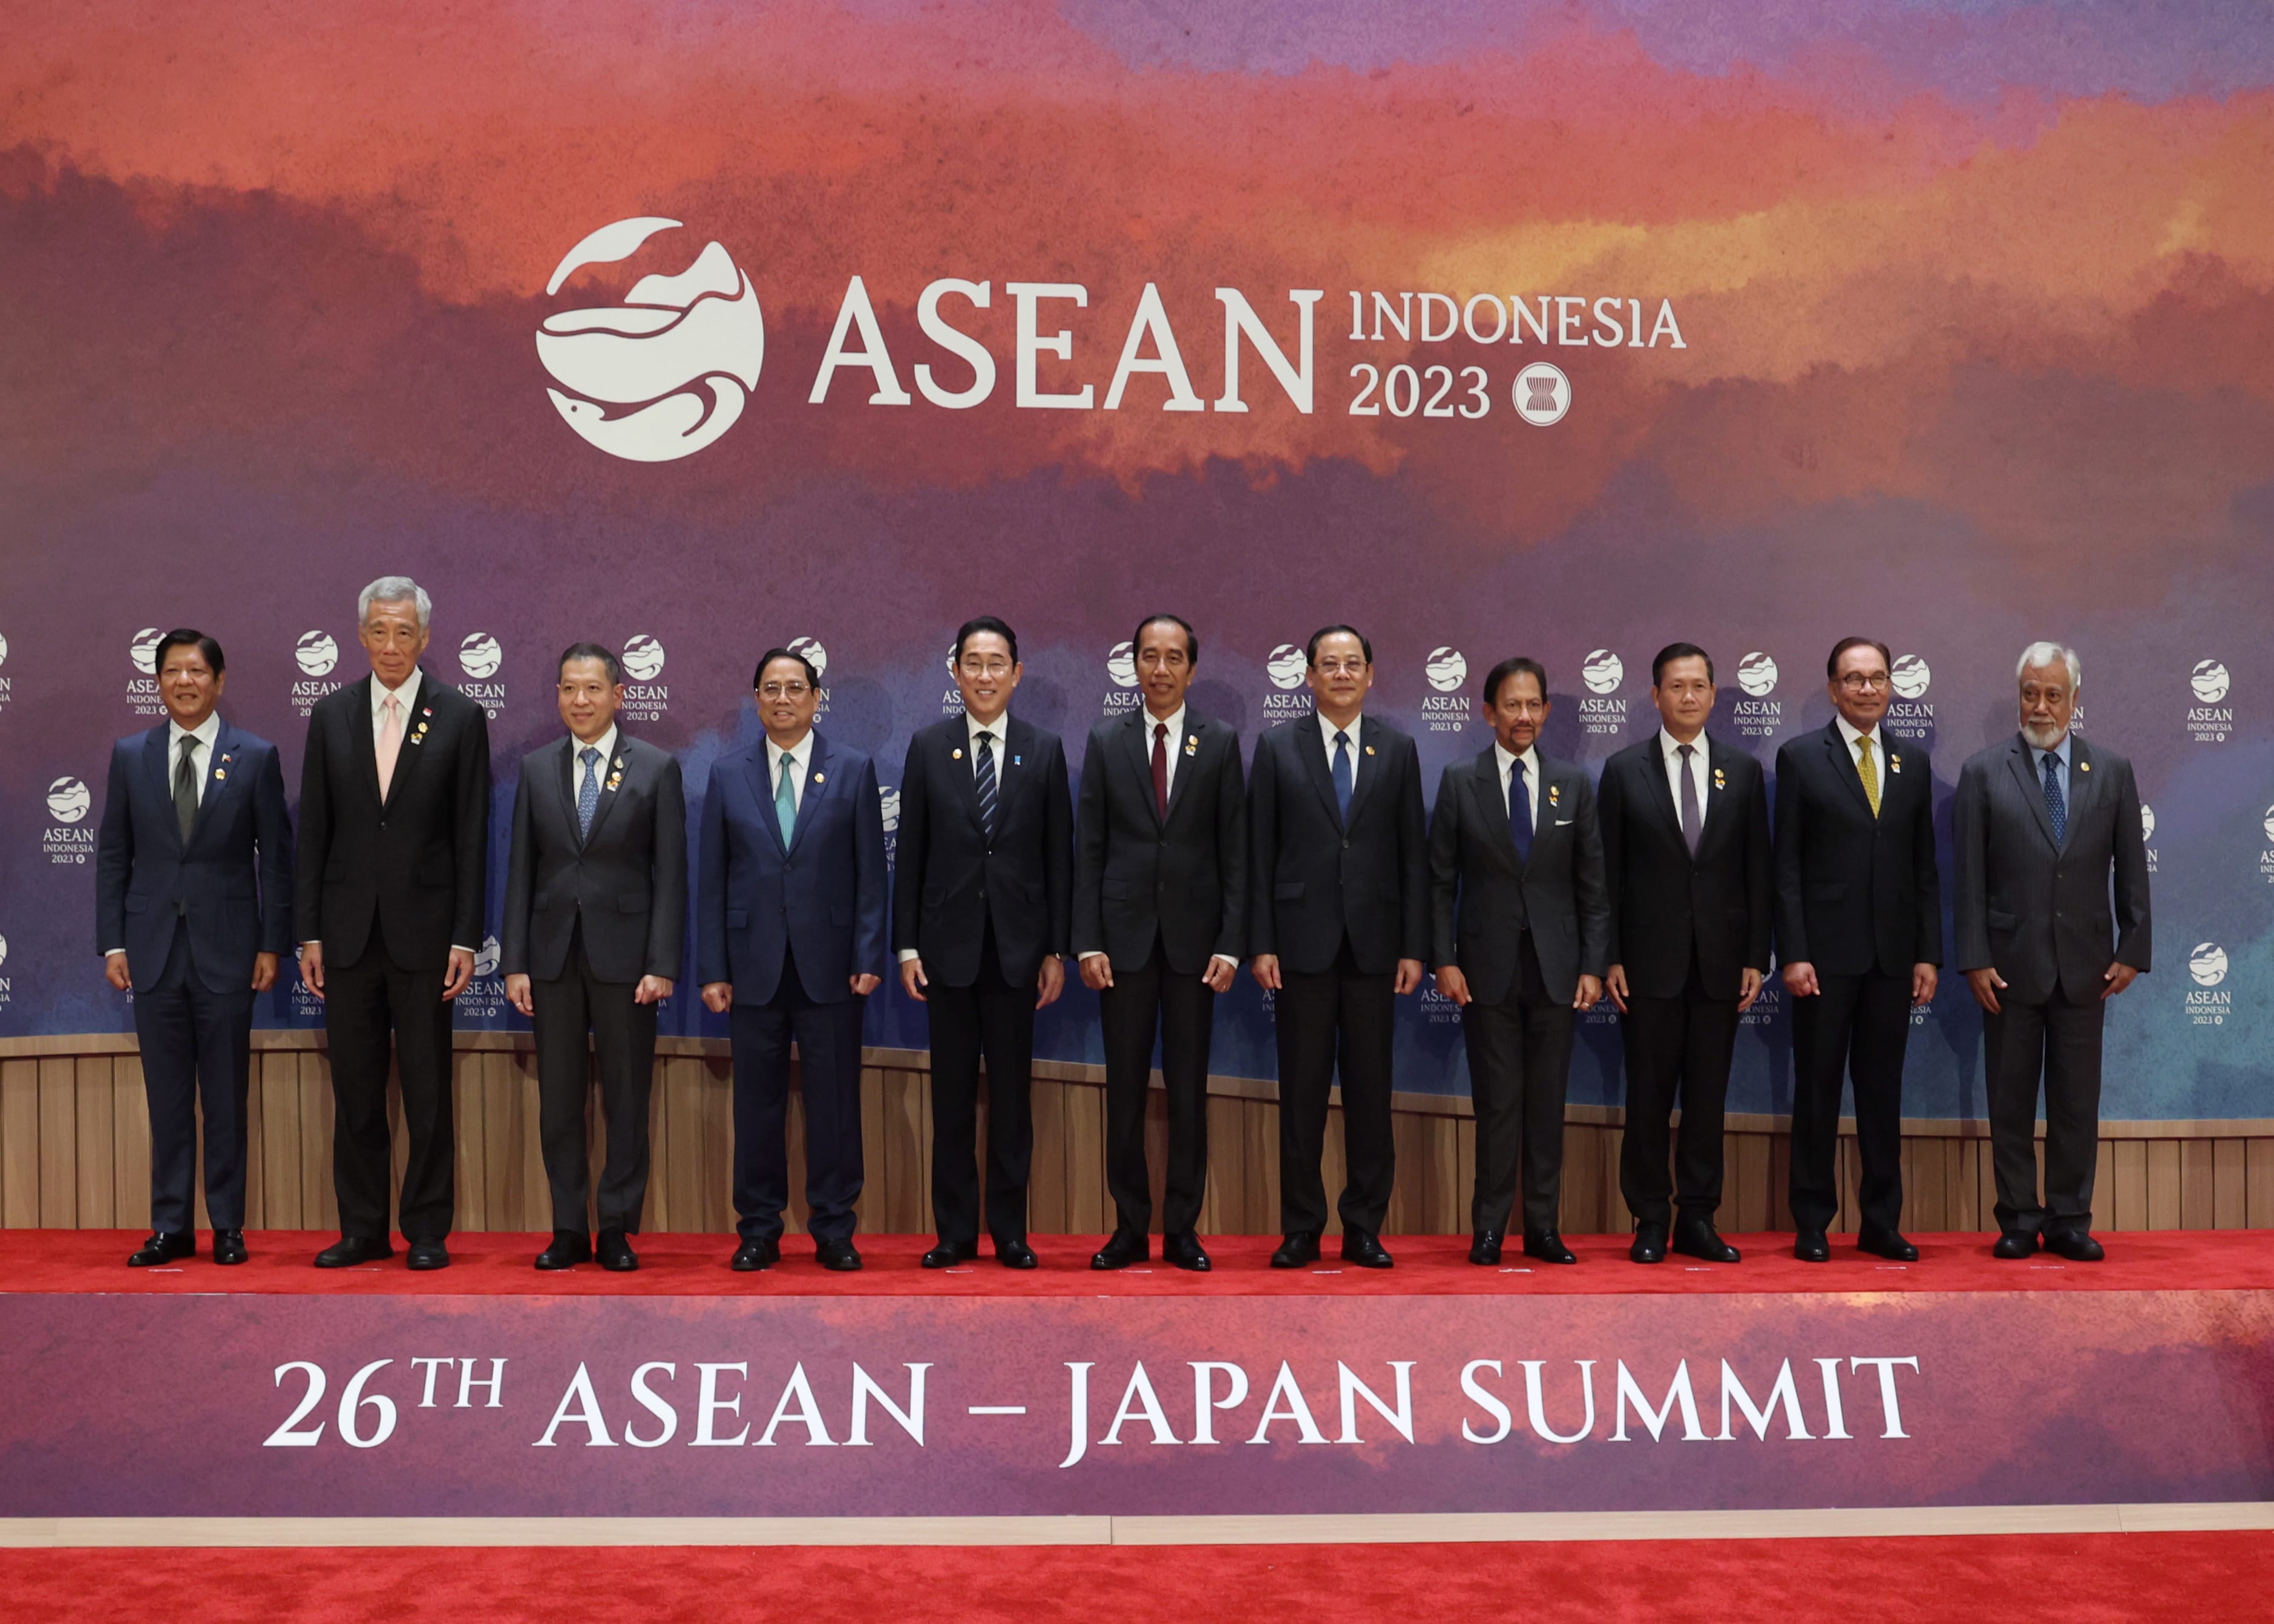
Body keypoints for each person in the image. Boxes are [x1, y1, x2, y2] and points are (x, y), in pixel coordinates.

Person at [295, 577, 490, 1270]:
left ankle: (428, 1229)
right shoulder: (331, 714)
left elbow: (472, 835)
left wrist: (466, 935)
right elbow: (312, 831)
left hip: (427, 936)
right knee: (356, 1089)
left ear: (426, 638)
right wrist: (309, 933)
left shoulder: (461, 716)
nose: (390, 645)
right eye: (379, 630)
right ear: (361, 635)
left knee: (428, 1090)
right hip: (346, 936)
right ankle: (364, 1228)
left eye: (404, 632)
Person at [95, 630, 292, 1267]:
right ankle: (170, 1224)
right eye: (173, 670)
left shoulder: (255, 755)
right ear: (157, 681)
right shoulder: (131, 755)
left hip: (229, 951)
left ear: (220, 680)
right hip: (151, 950)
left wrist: (271, 944)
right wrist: (112, 942)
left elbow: (276, 862)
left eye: (197, 671)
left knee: (227, 1094)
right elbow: (113, 855)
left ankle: (228, 1224)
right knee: (169, 1096)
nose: (185, 681)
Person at [1954, 642, 2149, 1262]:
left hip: (2086, 967)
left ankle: (2068, 1219)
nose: (2039, 706)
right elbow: (1968, 877)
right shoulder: (1983, 771)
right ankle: (2016, 1217)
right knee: (2008, 1101)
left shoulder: (2111, 770)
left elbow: (2130, 869)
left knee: (2075, 1102)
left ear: (2073, 698)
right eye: (2029, 693)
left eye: (2052, 693)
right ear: (2019, 695)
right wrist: (1972, 956)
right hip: (2006, 969)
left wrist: (2132, 946)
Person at [699, 647, 888, 1272]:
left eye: (795, 688)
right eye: (770, 688)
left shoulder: (853, 769)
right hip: (751, 968)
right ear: (755, 698)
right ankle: (758, 1228)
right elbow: (713, 880)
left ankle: (834, 1228)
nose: (783, 698)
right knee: (757, 1106)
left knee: (834, 1104)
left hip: (831, 966)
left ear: (815, 697)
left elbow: (869, 874)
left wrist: (867, 952)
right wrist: (713, 968)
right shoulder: (727, 774)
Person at [501, 643, 684, 1272]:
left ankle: (615, 1227)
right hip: (551, 959)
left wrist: (662, 962)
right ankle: (567, 1226)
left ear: (618, 695)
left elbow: (672, 874)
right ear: (557, 695)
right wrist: (515, 961)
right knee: (559, 1100)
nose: (580, 701)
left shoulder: (656, 767)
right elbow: (521, 867)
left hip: (629, 962)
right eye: (569, 689)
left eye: (593, 689)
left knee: (627, 1098)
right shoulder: (535, 767)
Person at [1248, 625, 1427, 1270]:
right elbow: (1258, 852)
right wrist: (1260, 942)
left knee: (1369, 1096)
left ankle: (1363, 1227)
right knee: (1299, 1096)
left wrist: (1414, 945)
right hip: (1299, 947)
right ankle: (1301, 1226)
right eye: (1330, 664)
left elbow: (1413, 854)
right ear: (1309, 675)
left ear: (1370, 674)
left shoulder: (1397, 748)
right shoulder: (1275, 747)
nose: (1342, 673)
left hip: (1375, 948)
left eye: (1353, 663)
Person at [896, 617, 1072, 1269]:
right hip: (945, 952)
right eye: (972, 662)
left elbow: (1059, 857)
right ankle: (953, 1232)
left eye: (996, 662)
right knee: (950, 1100)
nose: (984, 674)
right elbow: (909, 853)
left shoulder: (1043, 748)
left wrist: (1056, 948)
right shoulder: (927, 746)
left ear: (1016, 673)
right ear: (955, 673)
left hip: (1019, 953)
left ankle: (1009, 1231)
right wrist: (906, 947)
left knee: (1010, 1102)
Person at [1074, 614, 1247, 1272]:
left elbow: (1235, 849)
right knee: (1122, 1091)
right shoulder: (1105, 739)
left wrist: (1231, 944)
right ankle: (1127, 1227)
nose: (1161, 668)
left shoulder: (1220, 741)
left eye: (1174, 657)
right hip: (1119, 947)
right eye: (1149, 655)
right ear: (1134, 665)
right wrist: (1085, 938)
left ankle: (1182, 1227)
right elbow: (1089, 845)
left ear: (1191, 669)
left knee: (1187, 1092)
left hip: (1195, 949)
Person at [1428, 656, 1608, 1266]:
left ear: (1546, 712)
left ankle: (1542, 1228)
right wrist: (1442, 960)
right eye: (1511, 705)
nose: (1523, 716)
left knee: (1545, 1102)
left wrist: (1591, 963)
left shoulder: (1573, 782)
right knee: (1497, 1102)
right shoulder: (1459, 780)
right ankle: (1487, 1230)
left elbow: (1592, 886)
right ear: (1487, 712)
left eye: (1533, 705)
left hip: (1557, 968)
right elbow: (1437, 882)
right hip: (1483, 968)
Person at [1599, 643, 1770, 1265]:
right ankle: (1648, 1217)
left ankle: (1697, 1216)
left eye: (1699, 685)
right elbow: (1606, 876)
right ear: (1654, 695)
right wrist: (1609, 955)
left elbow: (1757, 869)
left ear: (1714, 693)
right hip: (1646, 964)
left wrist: (1756, 953)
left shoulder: (1742, 770)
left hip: (1721, 963)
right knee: (1646, 1096)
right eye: (1676, 686)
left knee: (1706, 1097)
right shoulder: (1623, 770)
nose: (1689, 696)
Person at [1774, 637, 1942, 1263]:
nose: (1865, 689)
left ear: (1890, 685)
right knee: (1816, 1093)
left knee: (1881, 1096)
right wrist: (1791, 950)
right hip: (1820, 960)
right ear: (1831, 687)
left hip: (1891, 961)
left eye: (1875, 678)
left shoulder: (1912, 762)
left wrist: (1926, 952)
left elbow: (1922, 867)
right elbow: (1784, 865)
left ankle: (1880, 1222)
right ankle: (1812, 1222)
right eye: (1853, 679)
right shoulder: (1799, 757)